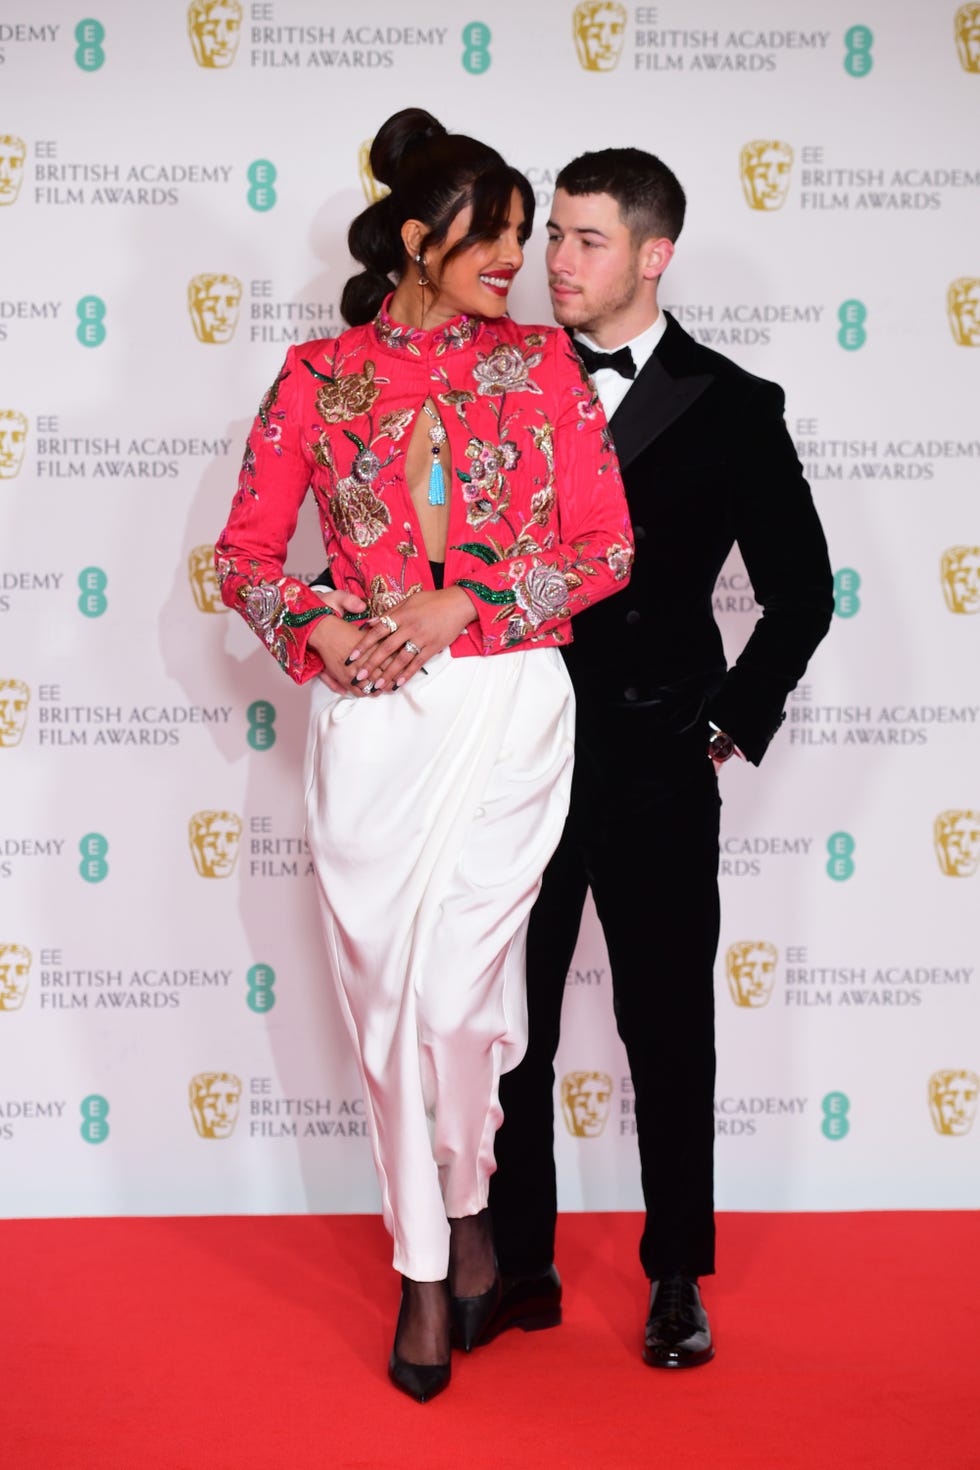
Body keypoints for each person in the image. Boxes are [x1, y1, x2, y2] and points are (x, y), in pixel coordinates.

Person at [214, 110, 632, 1402]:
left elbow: (608, 547)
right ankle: (435, 1248)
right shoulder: (312, 377)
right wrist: (323, 626)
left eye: (525, 233)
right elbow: (241, 558)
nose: (516, 257)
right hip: (373, 730)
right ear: (416, 238)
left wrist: (470, 603)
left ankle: (446, 1228)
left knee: (452, 1001)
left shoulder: (543, 368)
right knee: (393, 1018)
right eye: (495, 235)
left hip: (506, 708)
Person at [488, 147, 834, 1368]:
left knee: (667, 1028)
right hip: (508, 754)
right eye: (551, 240)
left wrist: (722, 725)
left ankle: (675, 1274)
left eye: (583, 240)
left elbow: (798, 594)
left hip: (653, 760)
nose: (555, 264)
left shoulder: (734, 404)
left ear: (652, 253)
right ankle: (517, 1267)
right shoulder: (503, 381)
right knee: (507, 1030)